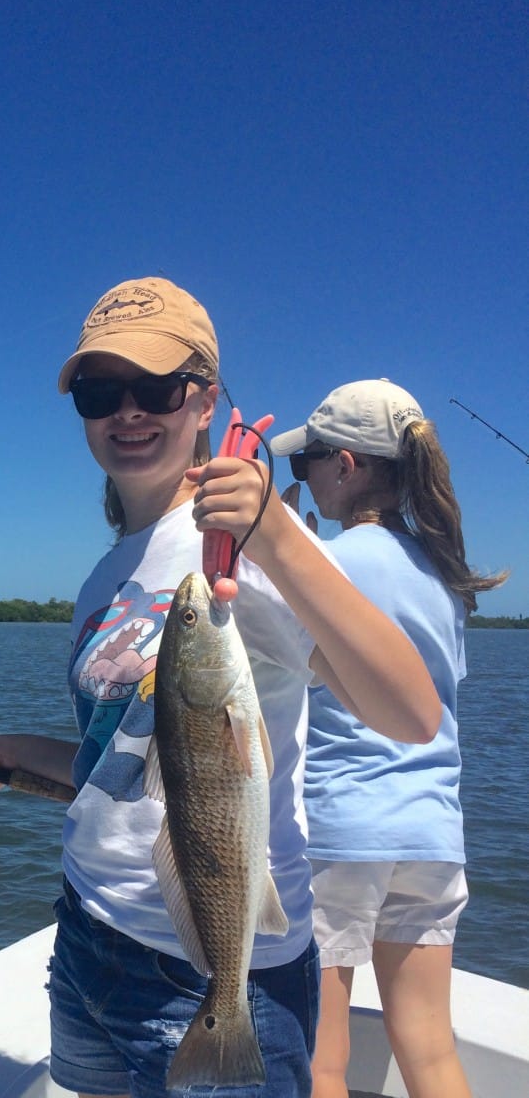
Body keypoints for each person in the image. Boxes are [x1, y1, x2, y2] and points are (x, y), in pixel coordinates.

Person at [0, 286, 440, 1098]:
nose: (128, 411)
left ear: (204, 401)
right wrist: (10, 748)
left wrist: (274, 535)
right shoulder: (106, 574)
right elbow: (119, 766)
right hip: (89, 932)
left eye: (157, 388)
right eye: (100, 391)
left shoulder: (249, 545)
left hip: (222, 965)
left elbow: (411, 714)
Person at [271, 378, 508, 1098]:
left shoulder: (329, 564)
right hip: (432, 834)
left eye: (306, 461)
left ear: (345, 466)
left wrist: (290, 553)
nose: (302, 475)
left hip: (340, 829)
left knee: (321, 1061)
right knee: (431, 1051)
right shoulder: (446, 578)